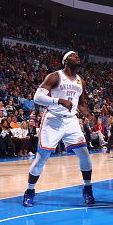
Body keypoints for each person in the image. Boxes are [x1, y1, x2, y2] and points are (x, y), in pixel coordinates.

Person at [22, 51, 95, 207]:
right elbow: (37, 98)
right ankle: (30, 191)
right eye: (74, 55)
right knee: (42, 158)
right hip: (53, 120)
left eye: (78, 55)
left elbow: (81, 102)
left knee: (85, 156)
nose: (78, 57)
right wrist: (59, 100)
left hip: (71, 121)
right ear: (65, 60)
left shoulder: (80, 81)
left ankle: (87, 189)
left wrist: (87, 113)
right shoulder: (55, 76)